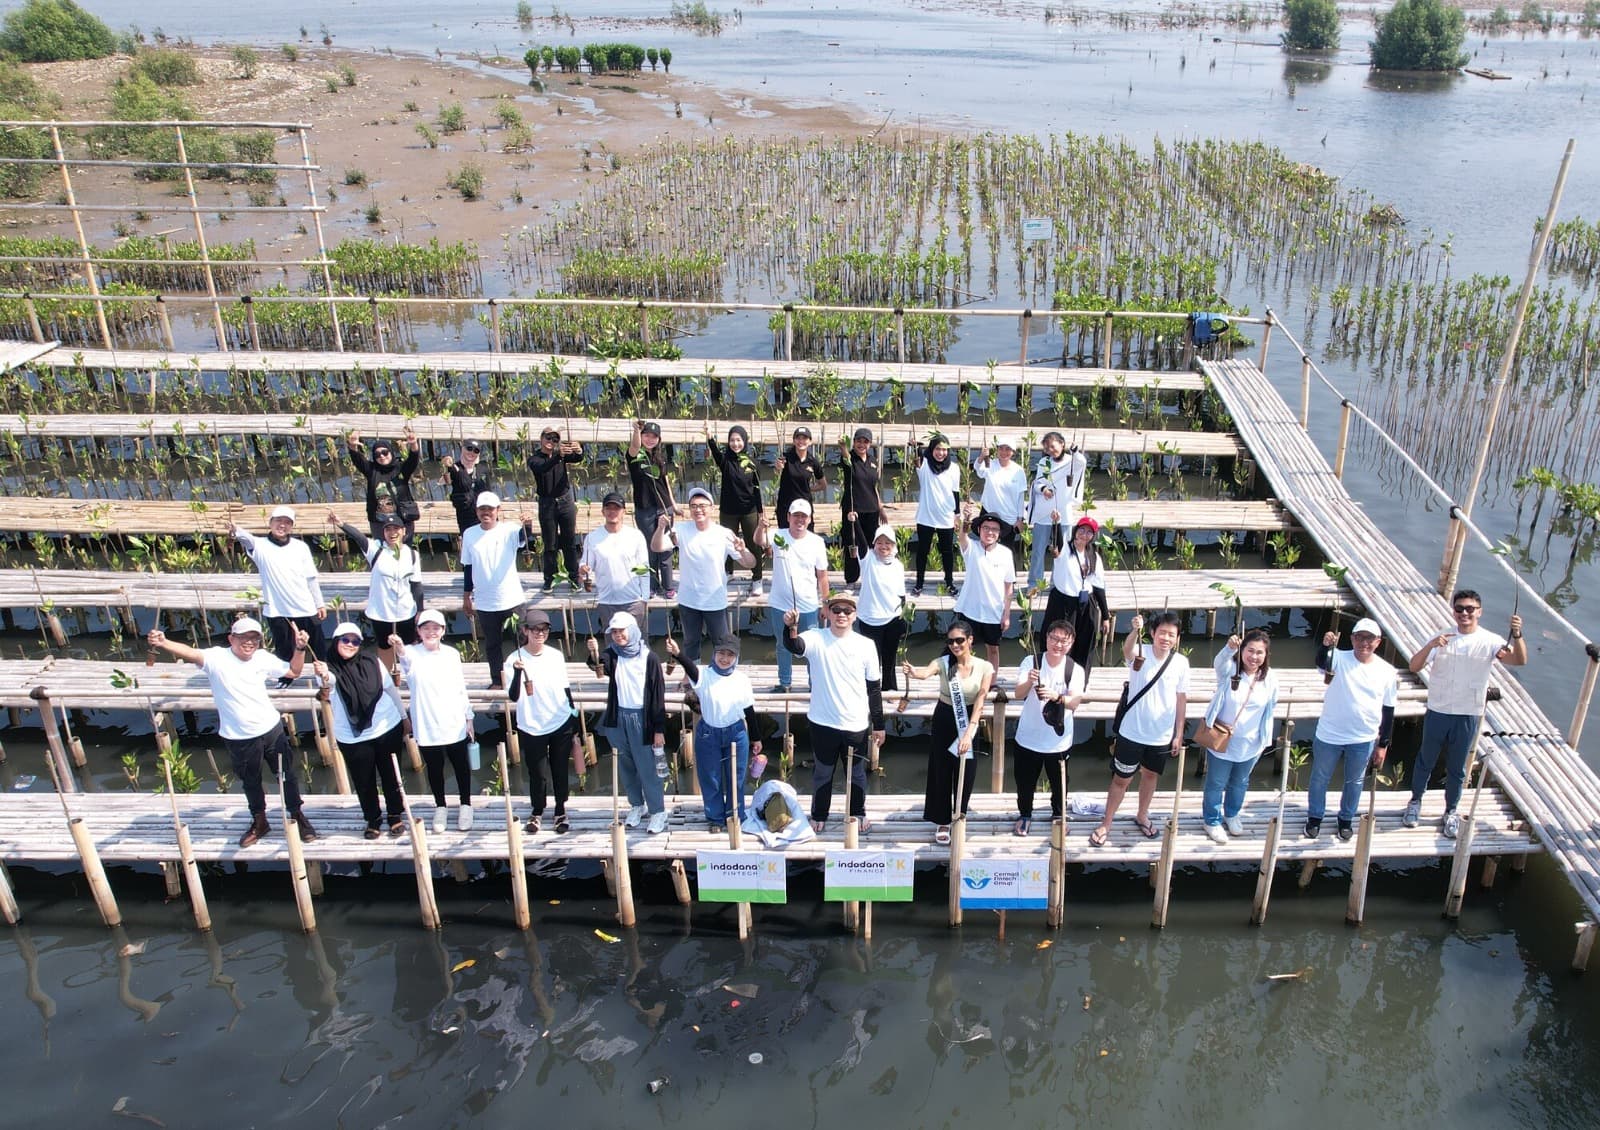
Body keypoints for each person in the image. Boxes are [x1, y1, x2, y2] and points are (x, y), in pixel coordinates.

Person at [147, 616, 317, 848]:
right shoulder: (217, 657)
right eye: (244, 637)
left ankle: (297, 815)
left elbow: (294, 672)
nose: (249, 642)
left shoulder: (262, 658)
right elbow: (189, 652)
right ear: (231, 638)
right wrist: (164, 643)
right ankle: (260, 821)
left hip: (271, 729)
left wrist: (299, 648)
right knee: (251, 782)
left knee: (286, 775)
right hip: (238, 736)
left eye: (255, 638)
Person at [1404, 591, 1526, 837]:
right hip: (1438, 710)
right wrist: (1430, 645)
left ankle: (1451, 811)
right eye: (1460, 609)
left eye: (1470, 609)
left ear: (1479, 612)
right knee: (1425, 760)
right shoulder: (1442, 637)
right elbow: (1414, 666)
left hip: (1468, 714)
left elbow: (1518, 660)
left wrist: (1519, 634)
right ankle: (1415, 802)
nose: (1465, 613)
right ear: (1453, 611)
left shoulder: (1491, 641)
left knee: (1458, 767)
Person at [781, 593, 885, 834]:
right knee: (822, 773)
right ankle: (819, 814)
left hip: (856, 724)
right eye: (836, 609)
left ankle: (857, 812)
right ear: (826, 613)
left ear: (854, 616)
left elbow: (874, 688)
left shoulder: (866, 645)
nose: (841, 615)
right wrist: (790, 627)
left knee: (857, 774)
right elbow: (793, 645)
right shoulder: (816, 638)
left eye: (847, 611)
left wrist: (879, 724)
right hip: (822, 722)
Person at [1090, 611, 1190, 846]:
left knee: (1150, 775)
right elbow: (1126, 651)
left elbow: (1181, 699)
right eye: (1162, 633)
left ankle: (1142, 814)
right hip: (1131, 732)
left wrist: (1179, 733)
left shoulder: (1181, 663)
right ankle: (1106, 823)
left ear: (1177, 638)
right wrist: (1135, 630)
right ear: (1153, 633)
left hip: (1161, 735)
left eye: (1171, 635)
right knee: (1121, 779)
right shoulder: (1140, 654)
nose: (1166, 638)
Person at [904, 618, 995, 845]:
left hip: (969, 721)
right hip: (945, 718)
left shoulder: (985, 667)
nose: (955, 645)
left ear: (970, 640)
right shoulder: (944, 662)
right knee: (941, 769)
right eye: (951, 641)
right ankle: (942, 820)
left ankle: (959, 814)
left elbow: (981, 700)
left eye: (960, 641)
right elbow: (926, 672)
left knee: (967, 769)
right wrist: (913, 672)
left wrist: (969, 733)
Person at [314, 623, 406, 839]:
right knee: (363, 781)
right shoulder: (330, 669)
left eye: (355, 641)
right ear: (335, 641)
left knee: (391, 775)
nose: (350, 644)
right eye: (345, 640)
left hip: (387, 726)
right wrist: (323, 674)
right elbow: (328, 681)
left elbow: (390, 690)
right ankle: (373, 819)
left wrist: (403, 717)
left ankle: (395, 815)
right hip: (352, 736)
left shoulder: (372, 661)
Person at [1308, 617, 1397, 841]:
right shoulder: (1338, 657)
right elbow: (1321, 662)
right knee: (1320, 778)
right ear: (1351, 639)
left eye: (1369, 638)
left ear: (1378, 642)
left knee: (1355, 780)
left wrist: (1383, 744)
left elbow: (1388, 710)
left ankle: (1346, 819)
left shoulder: (1387, 671)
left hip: (1363, 737)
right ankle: (1315, 817)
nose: (1364, 643)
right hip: (1330, 733)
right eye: (1359, 637)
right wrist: (1326, 645)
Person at [392, 609, 475, 833]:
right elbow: (403, 658)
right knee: (435, 768)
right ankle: (441, 806)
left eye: (435, 628)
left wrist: (469, 716)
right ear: (418, 631)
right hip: (426, 722)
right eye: (425, 628)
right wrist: (398, 646)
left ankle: (466, 804)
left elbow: (460, 687)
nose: (431, 632)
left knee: (461, 766)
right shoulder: (411, 652)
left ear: (443, 631)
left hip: (453, 720)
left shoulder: (451, 654)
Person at [650, 486, 755, 664]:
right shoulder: (681, 530)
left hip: (715, 600)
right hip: (688, 599)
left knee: (721, 644)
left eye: (703, 505)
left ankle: (722, 676)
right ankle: (692, 677)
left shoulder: (724, 534)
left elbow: (750, 563)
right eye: (693, 506)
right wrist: (660, 529)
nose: (698, 509)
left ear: (712, 508)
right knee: (691, 642)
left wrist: (743, 550)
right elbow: (656, 547)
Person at [588, 611, 670, 835]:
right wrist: (594, 652)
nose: (617, 636)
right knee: (626, 766)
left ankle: (658, 811)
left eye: (621, 631)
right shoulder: (613, 654)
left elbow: (657, 696)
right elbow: (596, 665)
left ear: (632, 630)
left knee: (648, 768)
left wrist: (658, 729)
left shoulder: (649, 658)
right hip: (618, 717)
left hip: (642, 719)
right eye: (613, 632)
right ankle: (636, 805)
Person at [667, 634, 760, 831]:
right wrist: (678, 654)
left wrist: (756, 738)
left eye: (730, 655)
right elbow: (690, 669)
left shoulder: (742, 679)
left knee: (736, 777)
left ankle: (735, 815)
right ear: (714, 654)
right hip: (709, 733)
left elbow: (749, 710)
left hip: (736, 733)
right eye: (721, 654)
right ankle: (715, 818)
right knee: (711, 778)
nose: (724, 659)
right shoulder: (704, 675)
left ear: (736, 657)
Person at [1200, 630, 1279, 843]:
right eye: (1250, 650)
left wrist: (1264, 736)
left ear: (1266, 655)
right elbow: (1219, 662)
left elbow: (1272, 705)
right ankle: (1212, 820)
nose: (1254, 657)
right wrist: (1229, 648)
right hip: (1222, 739)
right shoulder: (1230, 671)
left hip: (1251, 742)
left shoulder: (1269, 678)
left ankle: (1232, 814)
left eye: (1259, 652)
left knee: (1240, 782)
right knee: (1216, 782)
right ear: (1242, 651)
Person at [229, 506, 327, 671]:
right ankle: (286, 677)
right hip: (277, 610)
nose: (282, 525)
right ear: (270, 523)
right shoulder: (259, 546)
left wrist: (320, 603)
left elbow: (311, 578)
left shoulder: (301, 547)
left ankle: (324, 676)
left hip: (306, 606)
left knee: (318, 646)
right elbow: (245, 538)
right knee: (284, 650)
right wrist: (234, 530)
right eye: (278, 521)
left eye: (287, 522)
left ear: (292, 526)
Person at [506, 609, 578, 835]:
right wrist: (518, 673)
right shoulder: (514, 659)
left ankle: (560, 810)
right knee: (537, 772)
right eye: (535, 629)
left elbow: (566, 689)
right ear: (525, 630)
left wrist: (573, 718)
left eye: (544, 629)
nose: (539, 633)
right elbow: (513, 696)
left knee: (559, 769)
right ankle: (537, 810)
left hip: (560, 721)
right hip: (532, 725)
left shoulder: (555, 656)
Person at [1012, 619, 1087, 835]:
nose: (1058, 644)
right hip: (1028, 736)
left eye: (1064, 640)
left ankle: (1059, 815)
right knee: (1025, 782)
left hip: (1058, 739)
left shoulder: (1075, 669)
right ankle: (1025, 814)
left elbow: (1074, 703)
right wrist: (1029, 681)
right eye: (1054, 638)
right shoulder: (1031, 661)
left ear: (1071, 643)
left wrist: (1056, 696)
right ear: (1046, 638)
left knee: (1059, 783)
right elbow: (1018, 694)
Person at [327, 509, 423, 671]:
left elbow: (416, 584)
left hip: (406, 612)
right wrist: (340, 523)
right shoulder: (376, 550)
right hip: (381, 612)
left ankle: (411, 675)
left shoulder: (412, 554)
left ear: (404, 531)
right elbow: (358, 537)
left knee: (409, 647)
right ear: (383, 532)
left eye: (396, 529)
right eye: (388, 529)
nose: (392, 533)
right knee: (385, 647)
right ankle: (387, 679)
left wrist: (420, 610)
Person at [460, 491, 533, 689]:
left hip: (512, 600)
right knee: (492, 645)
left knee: (521, 640)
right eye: (482, 509)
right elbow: (467, 566)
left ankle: (527, 677)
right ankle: (497, 680)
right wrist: (467, 596)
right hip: (484, 602)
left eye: (490, 509)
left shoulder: (510, 530)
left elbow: (526, 539)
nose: (486, 513)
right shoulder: (469, 534)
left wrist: (527, 525)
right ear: (477, 511)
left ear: (498, 510)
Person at [755, 499, 829, 693]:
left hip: (808, 605)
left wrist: (826, 603)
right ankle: (784, 683)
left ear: (810, 519)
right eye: (796, 515)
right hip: (780, 604)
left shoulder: (817, 542)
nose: (799, 520)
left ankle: (815, 684)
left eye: (803, 516)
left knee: (811, 647)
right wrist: (760, 527)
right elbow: (758, 541)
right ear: (788, 517)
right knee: (782, 645)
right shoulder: (777, 535)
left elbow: (822, 576)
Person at [1042, 515, 1112, 671]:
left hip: (1086, 603)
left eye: (1089, 532)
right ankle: (1054, 674)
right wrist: (1056, 522)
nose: (1084, 534)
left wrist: (1105, 617)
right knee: (1059, 641)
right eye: (1081, 530)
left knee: (1085, 643)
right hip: (1063, 603)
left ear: (1093, 536)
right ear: (1075, 531)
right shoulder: (1064, 549)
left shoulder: (1093, 556)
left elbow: (1099, 587)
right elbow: (1056, 542)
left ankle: (1080, 680)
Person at [579, 491, 650, 636]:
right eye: (609, 508)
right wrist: (583, 569)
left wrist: (645, 598)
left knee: (638, 643)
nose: (612, 512)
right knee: (612, 647)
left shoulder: (636, 536)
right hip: (606, 602)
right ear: (603, 511)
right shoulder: (592, 538)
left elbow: (644, 569)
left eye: (616, 508)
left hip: (633, 601)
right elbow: (585, 564)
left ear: (623, 511)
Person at [952, 508, 1014, 672]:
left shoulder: (1006, 554)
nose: (990, 532)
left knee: (993, 649)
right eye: (986, 528)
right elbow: (962, 536)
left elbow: (1009, 585)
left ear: (999, 533)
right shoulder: (971, 548)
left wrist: (1006, 614)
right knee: (962, 646)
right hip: (969, 609)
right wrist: (966, 519)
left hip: (993, 612)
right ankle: (964, 677)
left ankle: (991, 683)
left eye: (994, 529)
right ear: (979, 530)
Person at [1027, 431, 1087, 590]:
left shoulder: (1072, 461)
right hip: (1044, 513)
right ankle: (1034, 584)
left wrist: (1075, 451)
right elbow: (1038, 483)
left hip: (1064, 512)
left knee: (1063, 550)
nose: (1050, 450)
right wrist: (1044, 490)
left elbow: (1082, 462)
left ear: (1062, 444)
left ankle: (1057, 583)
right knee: (1038, 552)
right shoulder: (1044, 462)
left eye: (1052, 446)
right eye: (1046, 448)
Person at [705, 423, 765, 586]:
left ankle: (757, 578)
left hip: (749, 510)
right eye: (732, 440)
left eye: (738, 440)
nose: (735, 444)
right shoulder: (725, 461)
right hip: (728, 511)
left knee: (753, 544)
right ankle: (728, 572)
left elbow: (757, 489)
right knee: (727, 543)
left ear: (745, 441)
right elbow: (716, 452)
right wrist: (709, 436)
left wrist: (760, 513)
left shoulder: (752, 463)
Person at [628, 419, 679, 598]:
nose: (650, 439)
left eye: (654, 436)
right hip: (645, 509)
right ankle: (651, 584)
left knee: (665, 549)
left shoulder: (660, 457)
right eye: (646, 435)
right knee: (649, 548)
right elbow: (634, 447)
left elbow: (665, 481)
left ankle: (668, 586)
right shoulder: (635, 456)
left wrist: (673, 504)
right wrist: (635, 430)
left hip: (664, 508)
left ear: (659, 439)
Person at [527, 428, 582, 590]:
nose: (551, 442)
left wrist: (579, 450)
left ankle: (573, 577)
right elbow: (543, 467)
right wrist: (559, 455)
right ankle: (549, 579)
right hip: (547, 504)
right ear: (541, 439)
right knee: (550, 544)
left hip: (566, 501)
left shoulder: (562, 456)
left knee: (570, 542)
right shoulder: (534, 459)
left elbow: (577, 458)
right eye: (548, 438)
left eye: (555, 439)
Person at [855, 525, 908, 693]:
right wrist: (855, 522)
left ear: (894, 545)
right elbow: (861, 542)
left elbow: (901, 594)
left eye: (888, 543)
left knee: (889, 659)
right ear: (874, 544)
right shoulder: (868, 559)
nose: (884, 546)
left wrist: (904, 618)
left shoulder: (898, 565)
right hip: (869, 620)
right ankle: (871, 692)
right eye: (880, 542)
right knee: (871, 661)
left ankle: (890, 689)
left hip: (893, 618)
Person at [910, 431, 962, 597]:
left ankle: (949, 582)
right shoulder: (924, 465)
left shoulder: (954, 468)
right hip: (925, 517)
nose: (941, 453)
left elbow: (956, 493)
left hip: (946, 516)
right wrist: (915, 447)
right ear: (931, 450)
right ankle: (919, 583)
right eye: (938, 449)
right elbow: (917, 459)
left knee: (947, 552)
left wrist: (957, 515)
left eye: (945, 450)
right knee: (922, 551)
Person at [347, 430, 421, 541]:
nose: (381, 456)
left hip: (402, 518)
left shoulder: (401, 469)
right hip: (379, 522)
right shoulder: (371, 470)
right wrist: (352, 445)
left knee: (404, 549)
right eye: (377, 454)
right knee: (382, 551)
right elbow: (358, 460)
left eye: (385, 452)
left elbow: (413, 459)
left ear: (391, 452)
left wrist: (413, 444)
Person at [837, 427, 887, 584]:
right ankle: (851, 581)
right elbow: (845, 455)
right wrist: (843, 446)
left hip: (871, 511)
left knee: (871, 546)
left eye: (865, 442)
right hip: (853, 511)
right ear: (854, 442)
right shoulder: (849, 459)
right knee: (852, 545)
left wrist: (881, 509)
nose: (861, 444)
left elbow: (874, 487)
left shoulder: (873, 461)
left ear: (870, 444)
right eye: (858, 441)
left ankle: (869, 578)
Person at [974, 436, 1027, 550]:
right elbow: (978, 470)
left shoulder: (1019, 471)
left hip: (1009, 518)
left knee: (1006, 552)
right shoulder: (990, 464)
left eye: (1008, 449)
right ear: (997, 450)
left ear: (1013, 452)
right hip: (989, 513)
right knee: (985, 548)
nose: (1004, 452)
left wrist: (1020, 519)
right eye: (1001, 448)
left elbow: (1021, 497)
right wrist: (982, 456)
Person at [774, 425, 826, 529]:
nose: (801, 441)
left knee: (807, 536)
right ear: (794, 441)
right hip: (786, 505)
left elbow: (823, 485)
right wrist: (778, 467)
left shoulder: (813, 462)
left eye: (804, 438)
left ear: (810, 441)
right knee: (785, 537)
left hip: (805, 505)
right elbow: (777, 471)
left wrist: (809, 489)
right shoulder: (786, 457)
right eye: (798, 438)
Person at [442, 440, 493, 533]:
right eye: (469, 448)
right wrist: (447, 464)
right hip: (464, 513)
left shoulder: (483, 468)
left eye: (476, 451)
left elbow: (489, 491)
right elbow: (444, 480)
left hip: (481, 512)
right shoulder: (455, 467)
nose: (471, 452)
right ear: (463, 448)